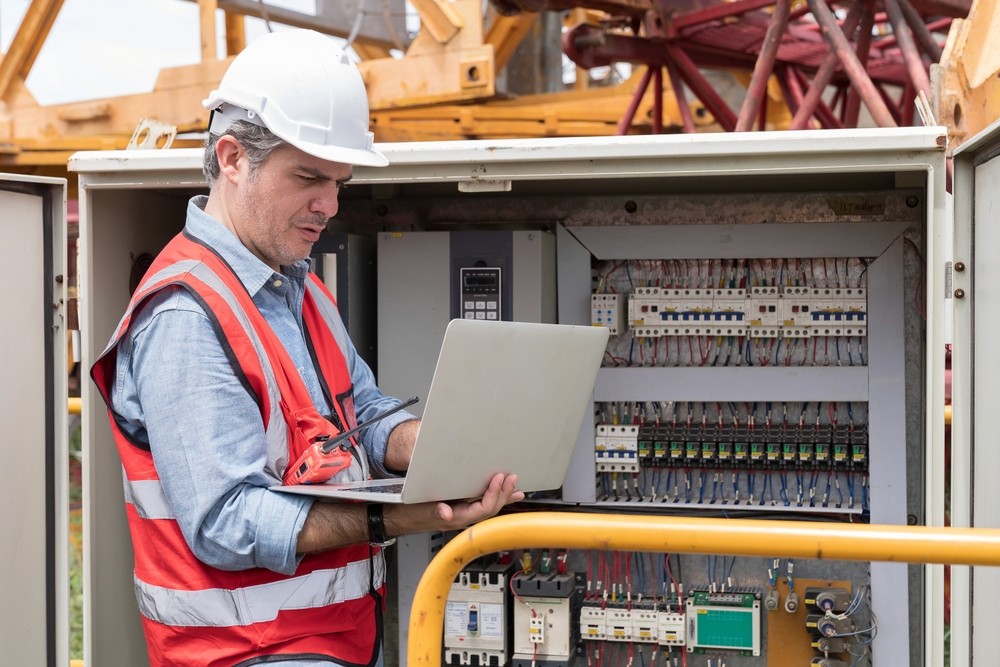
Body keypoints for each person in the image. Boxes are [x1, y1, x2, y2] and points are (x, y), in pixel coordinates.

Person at [90, 29, 524, 667]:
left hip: (334, 643)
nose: (330, 205)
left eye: (340, 181)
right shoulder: (185, 315)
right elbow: (225, 524)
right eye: (309, 178)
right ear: (233, 159)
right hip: (243, 655)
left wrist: (439, 449)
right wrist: (402, 517)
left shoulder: (301, 289)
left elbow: (363, 418)